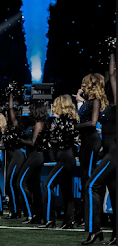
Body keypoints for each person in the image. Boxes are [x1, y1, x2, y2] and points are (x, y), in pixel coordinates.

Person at [82, 53, 116, 245]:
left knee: (90, 185)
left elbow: (112, 76)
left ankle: (95, 230)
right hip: (108, 150)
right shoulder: (107, 105)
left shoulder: (114, 105)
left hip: (114, 153)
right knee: (114, 191)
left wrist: (113, 52)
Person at [75, 73, 108, 226]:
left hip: (92, 142)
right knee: (85, 178)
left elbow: (93, 123)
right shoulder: (89, 101)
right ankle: (87, 216)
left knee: (89, 179)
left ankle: (92, 219)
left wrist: (73, 127)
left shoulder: (95, 100)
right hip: (86, 143)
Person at [40, 95, 78, 229]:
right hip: (66, 157)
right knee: (66, 191)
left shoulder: (65, 121)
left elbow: (63, 141)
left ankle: (49, 219)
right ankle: (69, 221)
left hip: (65, 158)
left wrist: (50, 137)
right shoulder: (67, 121)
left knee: (47, 185)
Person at [16, 101, 50, 224]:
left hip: (35, 156)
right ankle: (37, 214)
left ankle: (30, 213)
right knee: (34, 187)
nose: (29, 112)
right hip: (33, 156)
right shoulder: (36, 124)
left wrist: (19, 140)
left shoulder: (38, 124)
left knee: (20, 183)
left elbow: (33, 143)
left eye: (31, 109)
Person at [1, 92, 27, 219]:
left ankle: (15, 211)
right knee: (11, 183)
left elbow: (11, 109)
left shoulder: (17, 124)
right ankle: (15, 210)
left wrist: (10, 94)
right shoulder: (9, 127)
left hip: (18, 155)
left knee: (10, 182)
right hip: (12, 155)